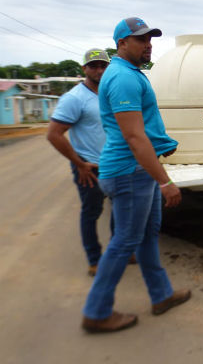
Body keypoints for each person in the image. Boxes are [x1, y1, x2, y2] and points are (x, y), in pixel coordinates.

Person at [81, 17, 191, 333]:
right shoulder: (123, 78)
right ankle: (96, 311)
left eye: (149, 38)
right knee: (125, 241)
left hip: (136, 170)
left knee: (145, 233)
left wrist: (161, 144)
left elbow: (141, 128)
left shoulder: (130, 74)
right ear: (122, 44)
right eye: (141, 39)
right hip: (129, 172)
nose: (148, 44)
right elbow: (133, 137)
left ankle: (161, 296)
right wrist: (165, 181)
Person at [47, 48, 115, 276]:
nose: (98, 70)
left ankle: (120, 252)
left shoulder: (109, 94)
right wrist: (79, 163)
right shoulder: (75, 98)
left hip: (114, 164)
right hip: (89, 167)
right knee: (92, 212)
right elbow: (54, 134)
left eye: (103, 65)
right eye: (93, 66)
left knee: (119, 209)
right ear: (84, 68)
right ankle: (94, 259)